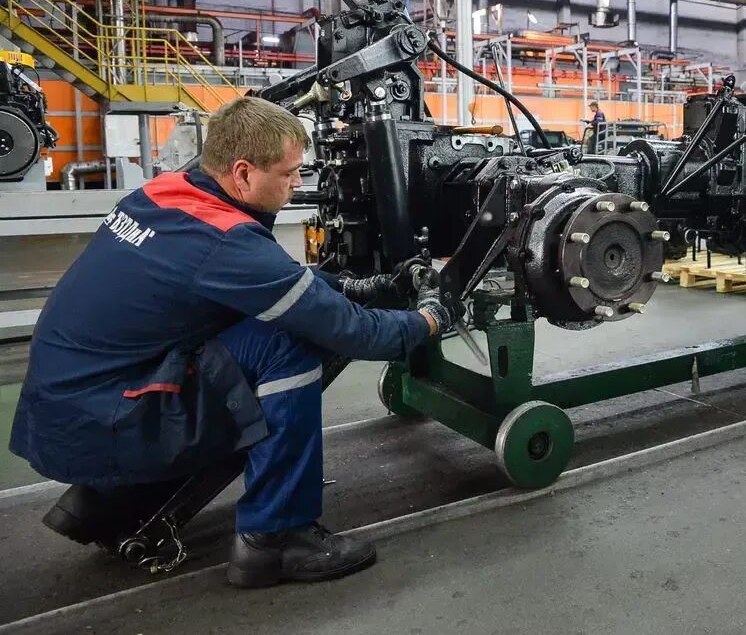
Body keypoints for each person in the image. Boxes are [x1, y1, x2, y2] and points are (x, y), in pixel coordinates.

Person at [9, 97, 457, 588]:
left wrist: (350, 286)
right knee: (289, 343)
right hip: (109, 426)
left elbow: (256, 282)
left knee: (266, 326)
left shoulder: (164, 195)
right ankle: (277, 539)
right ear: (242, 174)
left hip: (65, 412)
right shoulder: (226, 244)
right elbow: (355, 333)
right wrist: (429, 320)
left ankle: (97, 501)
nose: (298, 184)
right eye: (288, 174)